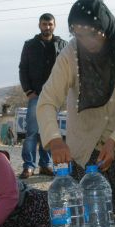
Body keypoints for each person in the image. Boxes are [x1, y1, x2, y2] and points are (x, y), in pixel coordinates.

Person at [37, 0, 115, 227]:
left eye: (93, 34)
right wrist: (54, 140)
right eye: (79, 35)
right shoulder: (70, 54)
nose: (87, 42)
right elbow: (46, 101)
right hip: (89, 144)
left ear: (105, 28)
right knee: (93, 222)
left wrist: (114, 142)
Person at [18, 13, 68, 179]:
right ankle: (28, 166)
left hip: (54, 96)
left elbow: (68, 69)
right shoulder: (30, 45)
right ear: (39, 25)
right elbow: (23, 68)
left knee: (48, 131)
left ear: (55, 25)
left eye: (50, 24)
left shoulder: (62, 45)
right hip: (36, 95)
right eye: (44, 24)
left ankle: (45, 165)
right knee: (32, 132)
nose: (47, 27)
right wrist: (28, 91)